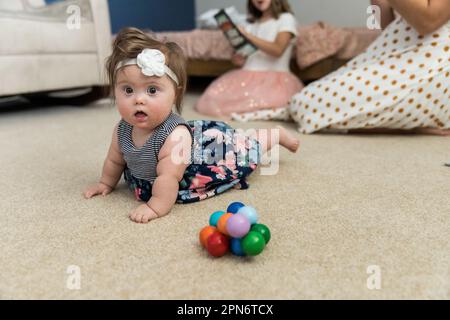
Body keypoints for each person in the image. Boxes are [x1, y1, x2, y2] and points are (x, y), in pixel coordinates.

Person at [83, 28, 300, 224]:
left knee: (244, 149)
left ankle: (274, 135)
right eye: (128, 90)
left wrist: (155, 206)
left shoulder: (174, 136)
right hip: (156, 172)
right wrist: (105, 183)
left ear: (174, 93)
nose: (139, 100)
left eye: (151, 90)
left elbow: (169, 178)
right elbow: (114, 159)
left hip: (207, 156)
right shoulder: (122, 130)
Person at [289, 0, 450, 135]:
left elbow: (429, 21)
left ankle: (415, 120)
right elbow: (389, 28)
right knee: (305, 99)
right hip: (402, 53)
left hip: (435, 61)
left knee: (306, 106)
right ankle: (412, 120)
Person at [195, 0, 304, 122]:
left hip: (275, 78)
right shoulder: (251, 24)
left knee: (263, 100)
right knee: (212, 97)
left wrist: (248, 36)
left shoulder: (286, 18)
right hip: (246, 76)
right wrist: (238, 59)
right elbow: (246, 58)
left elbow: (278, 50)